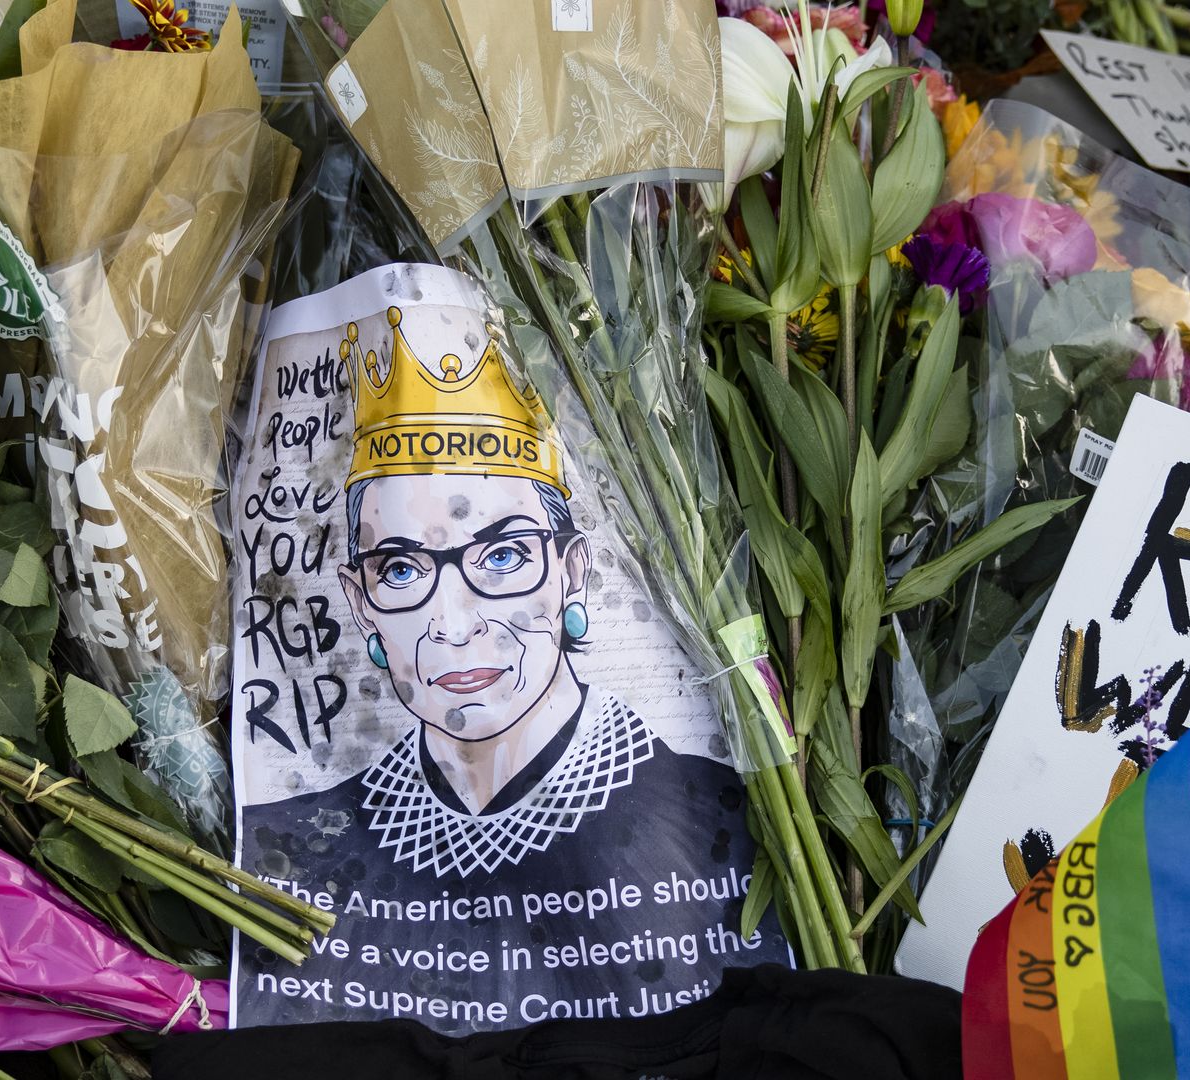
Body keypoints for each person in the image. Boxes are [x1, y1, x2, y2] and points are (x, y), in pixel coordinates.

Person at [238, 304, 786, 1032]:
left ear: (572, 572)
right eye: (400, 568)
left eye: (502, 556)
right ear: (359, 601)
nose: (454, 624)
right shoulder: (286, 845)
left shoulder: (731, 821)